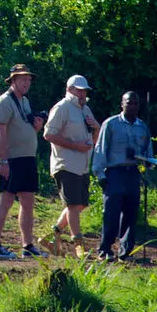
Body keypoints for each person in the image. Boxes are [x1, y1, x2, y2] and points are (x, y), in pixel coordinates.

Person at [0, 64, 48, 259]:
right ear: (12, 81)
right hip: (11, 159)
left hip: (27, 159)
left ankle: (27, 245)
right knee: (6, 199)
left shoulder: (25, 101)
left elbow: (24, 127)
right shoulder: (4, 101)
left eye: (29, 79)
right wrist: (3, 160)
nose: (26, 82)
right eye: (22, 79)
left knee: (28, 201)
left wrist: (37, 127)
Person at [92, 91, 156, 261]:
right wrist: (100, 174)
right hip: (114, 173)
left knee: (130, 213)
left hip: (133, 173)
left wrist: (148, 162)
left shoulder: (142, 126)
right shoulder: (111, 124)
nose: (133, 106)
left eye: (136, 103)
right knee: (111, 213)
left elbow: (148, 152)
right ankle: (105, 249)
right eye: (129, 103)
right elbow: (100, 149)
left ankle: (125, 252)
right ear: (122, 104)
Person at [43, 75, 100, 249]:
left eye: (84, 90)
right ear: (69, 90)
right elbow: (48, 135)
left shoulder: (85, 110)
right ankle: (78, 245)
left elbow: (95, 140)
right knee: (73, 205)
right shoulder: (62, 108)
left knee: (80, 204)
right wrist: (74, 146)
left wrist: (96, 127)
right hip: (66, 163)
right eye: (78, 89)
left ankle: (52, 236)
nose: (82, 93)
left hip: (82, 165)